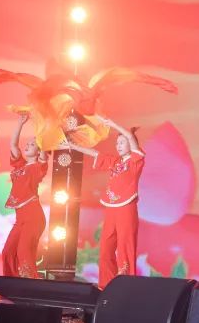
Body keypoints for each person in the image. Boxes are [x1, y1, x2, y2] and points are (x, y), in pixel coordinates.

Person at [62, 115, 144, 289]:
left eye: (122, 142)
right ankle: (106, 285)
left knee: (125, 247)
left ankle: (126, 286)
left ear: (131, 145)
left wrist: (114, 124)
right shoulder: (115, 162)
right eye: (117, 143)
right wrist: (73, 146)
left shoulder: (136, 161)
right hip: (111, 209)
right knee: (106, 248)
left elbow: (130, 136)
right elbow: (95, 153)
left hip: (126, 208)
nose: (118, 145)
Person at [2, 113, 48, 278]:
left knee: (24, 252)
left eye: (32, 145)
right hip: (20, 219)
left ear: (38, 151)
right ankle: (11, 284)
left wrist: (44, 129)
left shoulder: (38, 167)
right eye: (27, 144)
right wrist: (20, 123)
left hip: (33, 218)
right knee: (8, 252)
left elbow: (44, 152)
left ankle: (29, 285)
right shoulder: (20, 165)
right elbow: (13, 144)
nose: (28, 145)